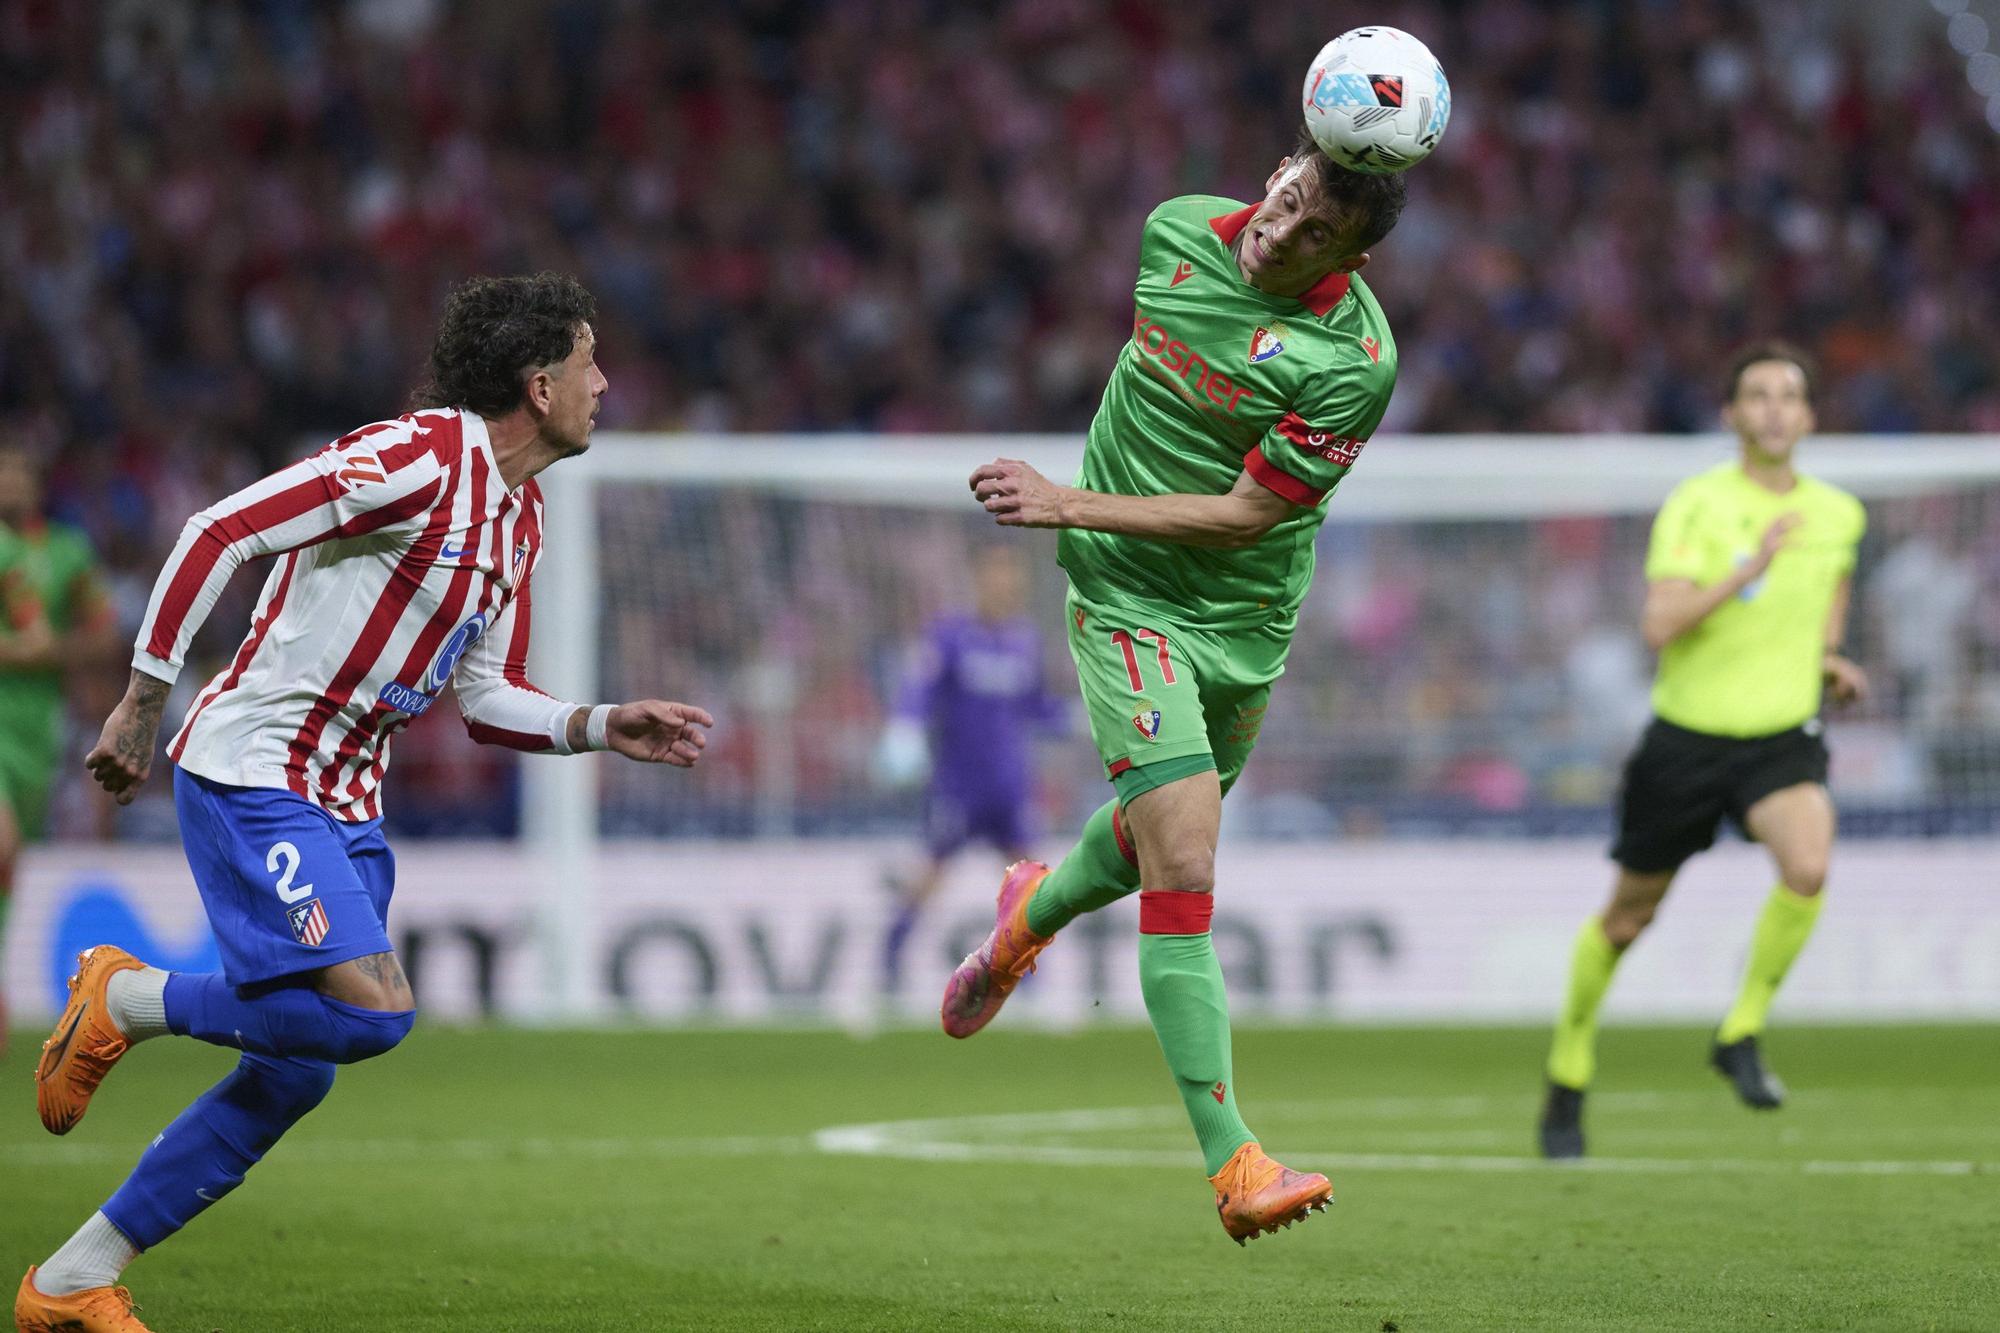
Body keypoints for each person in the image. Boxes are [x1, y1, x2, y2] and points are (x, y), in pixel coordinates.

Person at [18, 273, 714, 1333]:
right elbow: (220, 530)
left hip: (346, 801)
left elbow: (482, 695)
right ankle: (126, 998)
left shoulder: (518, 517)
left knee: (297, 1070)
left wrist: (597, 719)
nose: (604, 383)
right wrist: (141, 698)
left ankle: (68, 1282)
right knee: (371, 1013)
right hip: (256, 769)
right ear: (537, 384)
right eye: (587, 362)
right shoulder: (414, 459)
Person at [943, 130, 1404, 1243]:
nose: (1278, 233)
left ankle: (1026, 914)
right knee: (1186, 856)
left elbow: (1250, 516)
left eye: (1315, 232)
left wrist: (1066, 498)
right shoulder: (1173, 232)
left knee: (1154, 840)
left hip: (1243, 618)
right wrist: (1080, 520)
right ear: (1274, 173)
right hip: (1123, 598)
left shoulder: (1350, 362)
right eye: (1285, 199)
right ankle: (1232, 1160)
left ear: (1352, 254)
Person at [1537, 342, 1867, 1159]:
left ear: (1811, 416)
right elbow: (1659, 625)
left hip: (1781, 739)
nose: (1775, 408)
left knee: (1810, 865)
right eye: (1757, 394)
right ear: (1731, 415)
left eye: (1790, 394)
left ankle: (1742, 1028)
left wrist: (1829, 660)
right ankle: (1568, 1067)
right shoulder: (1697, 503)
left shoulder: (1839, 515)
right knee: (1627, 917)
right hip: (1686, 741)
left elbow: (1829, 598)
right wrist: (1748, 567)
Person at [876, 544, 1066, 994]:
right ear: (979, 580)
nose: (1005, 587)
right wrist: (905, 726)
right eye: (997, 577)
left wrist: (1075, 719)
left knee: (1029, 885)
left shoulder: (1024, 641)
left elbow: (1035, 706)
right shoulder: (950, 635)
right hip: (959, 784)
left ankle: (1032, 981)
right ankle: (889, 960)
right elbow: (920, 688)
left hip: (1008, 785)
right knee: (931, 874)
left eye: (1012, 579)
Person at [0, 444, 122, 1056]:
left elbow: (102, 637)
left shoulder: (69, 551)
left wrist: (46, 651)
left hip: (36, 731)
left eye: (20, 467)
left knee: (7, 865)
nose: (11, 480)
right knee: (2, 843)